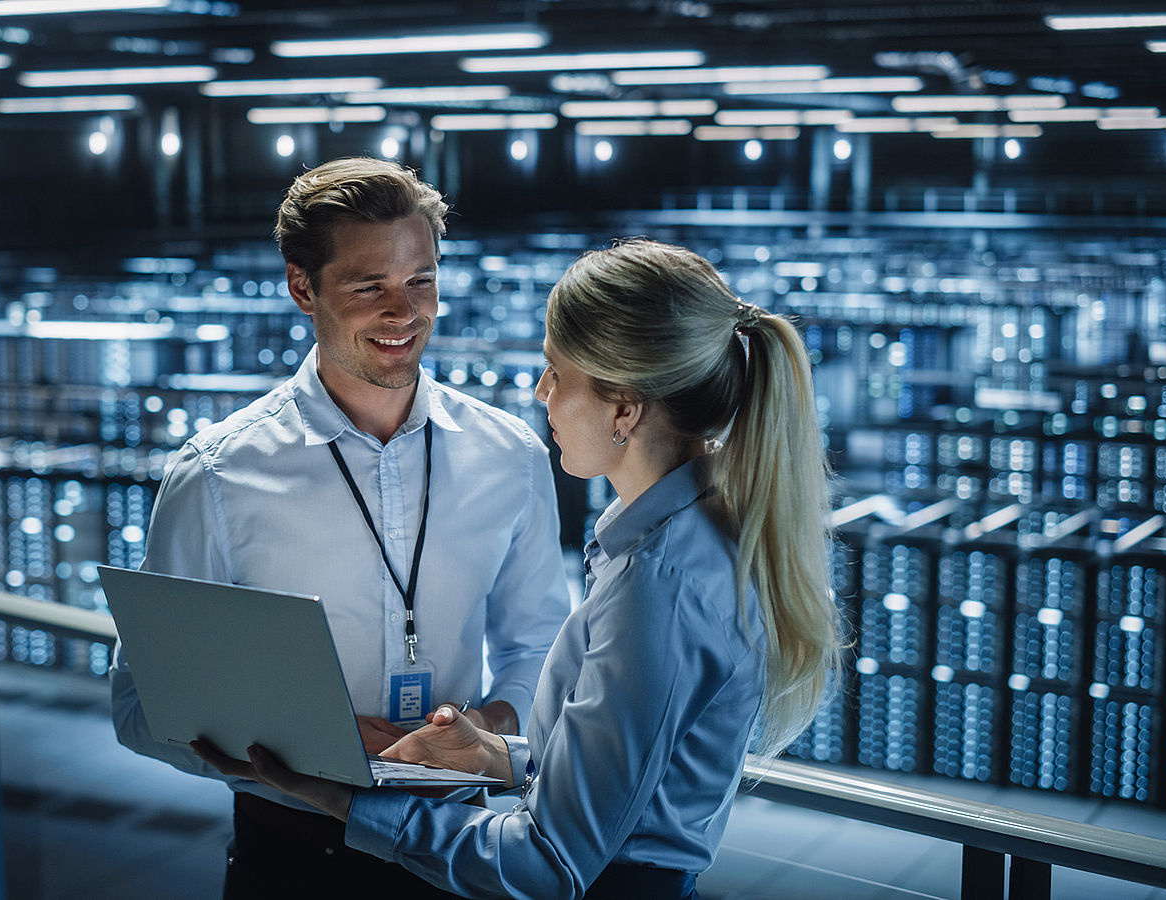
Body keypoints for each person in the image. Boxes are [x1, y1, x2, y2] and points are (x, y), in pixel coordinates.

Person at [194, 238, 843, 899]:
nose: (540, 395)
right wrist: (495, 756)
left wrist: (339, 796)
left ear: (624, 407)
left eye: (557, 374)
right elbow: (632, 779)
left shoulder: (658, 584)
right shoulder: (689, 540)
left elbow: (546, 866)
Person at [109, 157, 572, 898]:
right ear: (303, 287)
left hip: (460, 846)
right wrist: (305, 750)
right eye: (370, 287)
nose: (405, 311)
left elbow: (539, 641)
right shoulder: (219, 474)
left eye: (421, 280)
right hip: (292, 859)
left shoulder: (508, 454)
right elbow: (139, 702)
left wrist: (481, 727)